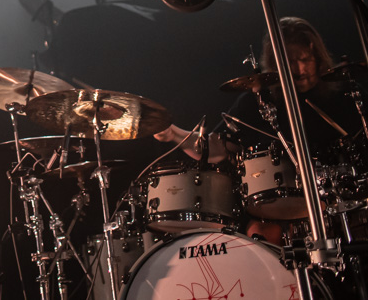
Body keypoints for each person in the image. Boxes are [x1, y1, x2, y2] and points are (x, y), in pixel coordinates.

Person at [154, 17, 366, 243]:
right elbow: (217, 148)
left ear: (317, 56)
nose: (299, 69)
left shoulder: (344, 95)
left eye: (305, 59)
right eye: (290, 62)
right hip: (280, 214)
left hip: (345, 202)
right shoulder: (259, 101)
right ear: (276, 64)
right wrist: (174, 134)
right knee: (258, 237)